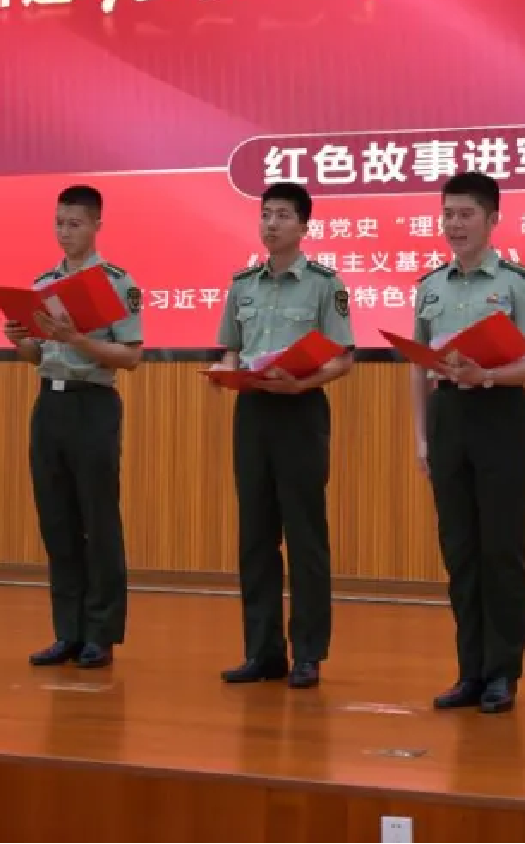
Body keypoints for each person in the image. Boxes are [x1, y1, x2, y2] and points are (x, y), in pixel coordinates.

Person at [409, 171, 525, 714]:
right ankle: (469, 671)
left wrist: (488, 375)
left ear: (492, 219)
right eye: (448, 214)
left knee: (501, 549)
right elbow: (419, 365)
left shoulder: (519, 283)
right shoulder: (430, 286)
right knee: (460, 549)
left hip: (501, 415)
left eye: (466, 214)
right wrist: (422, 435)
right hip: (448, 417)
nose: (454, 224)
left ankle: (502, 673)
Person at [213, 182, 356, 689]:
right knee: (256, 534)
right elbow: (232, 347)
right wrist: (225, 370)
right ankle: (262, 651)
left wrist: (303, 382)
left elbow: (343, 358)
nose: (271, 224)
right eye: (266, 214)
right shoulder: (242, 284)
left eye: (282, 216)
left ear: (303, 226)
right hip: (253, 411)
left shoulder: (324, 285)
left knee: (304, 534)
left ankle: (309, 653)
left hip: (300, 410)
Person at [3, 184, 143, 670]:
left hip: (93, 405)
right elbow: (38, 355)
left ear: (97, 226)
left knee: (97, 521)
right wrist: (19, 339)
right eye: (59, 223)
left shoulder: (116, 283)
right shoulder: (44, 283)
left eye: (75, 224)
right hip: (51, 404)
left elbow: (131, 356)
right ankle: (68, 631)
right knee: (57, 520)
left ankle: (100, 634)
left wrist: (77, 338)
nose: (65, 232)